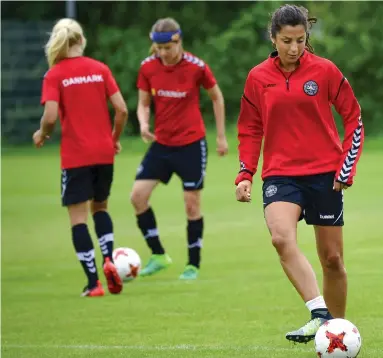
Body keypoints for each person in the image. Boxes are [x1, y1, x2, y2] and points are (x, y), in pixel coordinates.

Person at [234, 5, 364, 343]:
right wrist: (246, 172)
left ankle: (337, 333)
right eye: (287, 41)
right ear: (273, 38)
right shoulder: (258, 78)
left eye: (301, 40)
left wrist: (345, 168)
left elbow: (353, 117)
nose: (294, 48)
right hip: (280, 175)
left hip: (324, 173)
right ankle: (319, 312)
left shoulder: (325, 71)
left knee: (332, 259)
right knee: (280, 238)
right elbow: (249, 129)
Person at [33, 18, 129, 297]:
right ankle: (109, 259)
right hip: (103, 153)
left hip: (76, 156)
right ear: (82, 41)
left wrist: (42, 133)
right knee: (100, 208)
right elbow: (121, 110)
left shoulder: (55, 74)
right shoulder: (100, 69)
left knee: (78, 219)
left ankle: (93, 282)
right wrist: (114, 139)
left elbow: (50, 116)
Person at [131, 17, 228, 280]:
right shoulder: (148, 67)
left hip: (191, 145)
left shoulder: (196, 67)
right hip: (162, 144)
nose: (163, 54)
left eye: (167, 48)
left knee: (191, 205)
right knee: (137, 196)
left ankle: (192, 265)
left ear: (178, 42)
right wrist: (142, 123)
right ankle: (159, 255)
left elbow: (217, 97)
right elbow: (143, 103)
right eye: (158, 49)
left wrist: (220, 136)